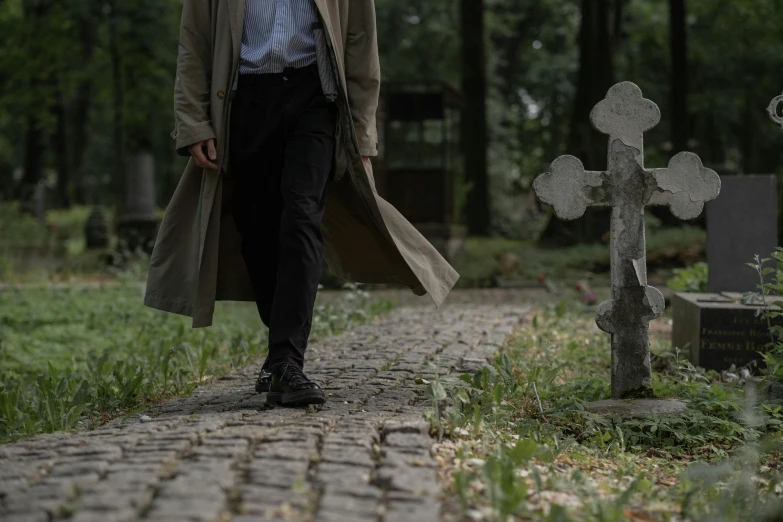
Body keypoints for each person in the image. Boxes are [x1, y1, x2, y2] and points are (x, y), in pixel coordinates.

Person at [144, 0, 459, 408]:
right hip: (243, 101)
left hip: (315, 98)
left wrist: (363, 134)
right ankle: (281, 356)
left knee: (302, 215)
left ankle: (286, 361)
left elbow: (360, 43)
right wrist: (193, 122)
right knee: (256, 229)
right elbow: (194, 42)